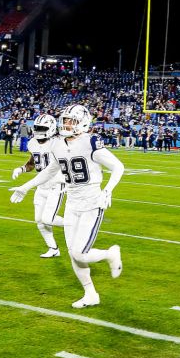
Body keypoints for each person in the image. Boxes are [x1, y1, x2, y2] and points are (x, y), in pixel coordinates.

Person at [10, 104, 125, 308]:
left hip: (91, 201)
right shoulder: (58, 145)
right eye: (65, 120)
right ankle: (90, 293)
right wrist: (25, 187)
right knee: (73, 252)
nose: (66, 124)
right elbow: (49, 171)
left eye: (71, 120)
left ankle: (110, 254)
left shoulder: (90, 142)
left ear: (83, 122)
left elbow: (118, 166)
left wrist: (108, 190)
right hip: (71, 202)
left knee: (80, 253)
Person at [10, 114, 68, 258]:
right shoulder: (32, 143)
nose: (38, 131)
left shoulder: (59, 143)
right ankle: (53, 249)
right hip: (41, 185)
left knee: (48, 218)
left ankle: (75, 223)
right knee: (39, 220)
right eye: (37, 128)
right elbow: (32, 163)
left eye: (42, 128)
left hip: (56, 184)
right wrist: (21, 169)